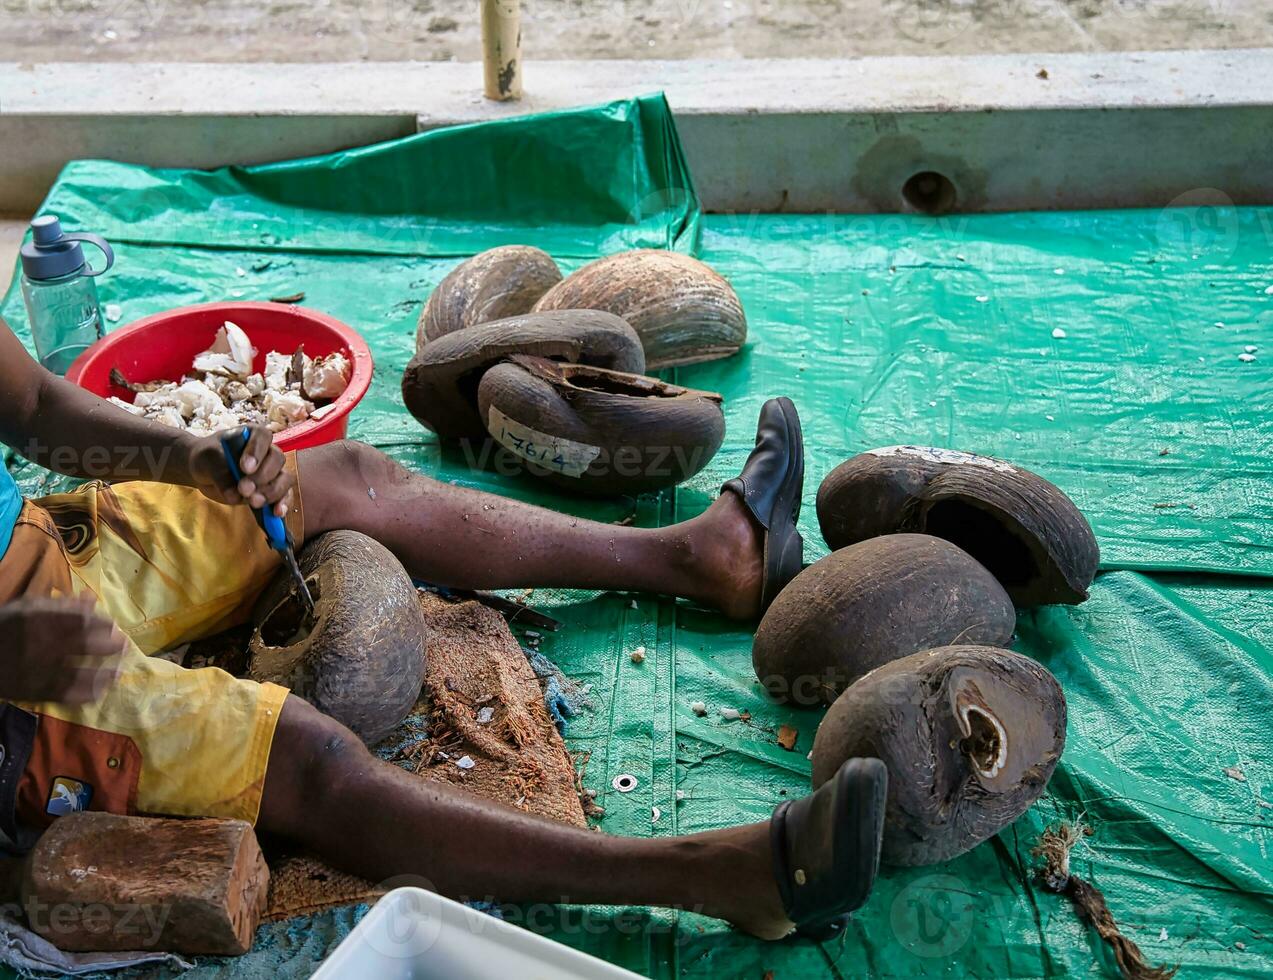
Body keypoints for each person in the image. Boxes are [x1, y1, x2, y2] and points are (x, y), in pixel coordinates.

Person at [0, 313, 886, 942]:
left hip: (33, 554)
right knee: (314, 761)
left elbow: (35, 406)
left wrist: (189, 456)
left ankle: (703, 557)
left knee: (341, 476)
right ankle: (717, 877)